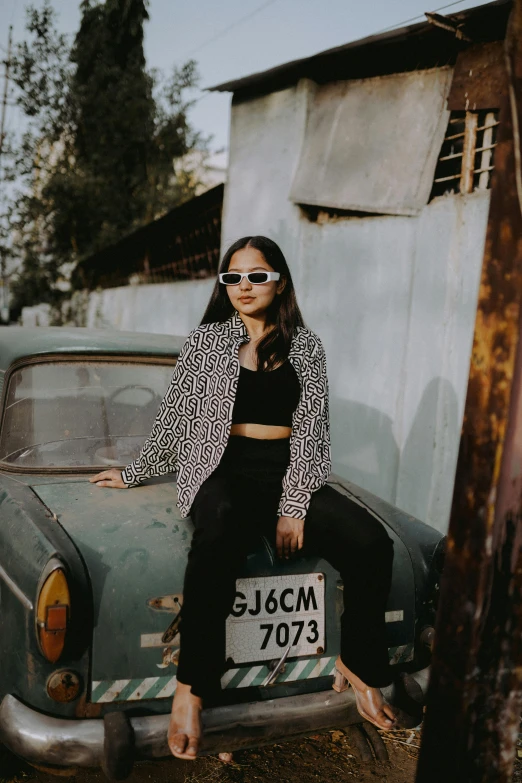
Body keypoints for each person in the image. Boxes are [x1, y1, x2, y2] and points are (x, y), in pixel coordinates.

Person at [90, 235, 397, 761]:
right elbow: (176, 420)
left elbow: (313, 430)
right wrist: (136, 472)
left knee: (372, 542)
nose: (243, 286)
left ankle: (360, 663)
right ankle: (193, 687)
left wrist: (294, 505)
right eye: (233, 277)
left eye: (256, 275)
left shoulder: (305, 345)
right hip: (222, 469)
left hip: (287, 472)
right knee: (219, 533)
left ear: (280, 281)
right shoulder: (205, 342)